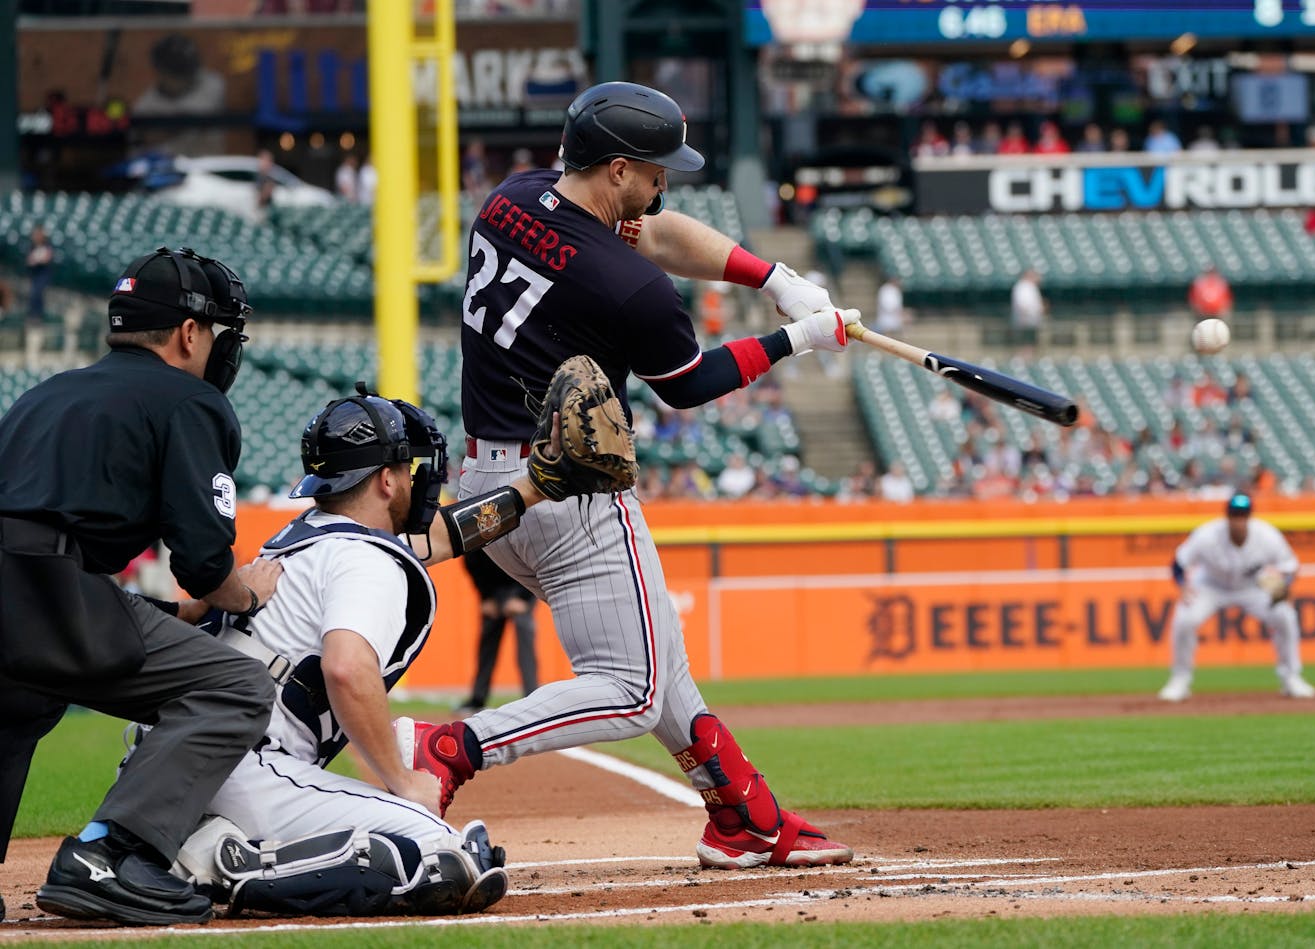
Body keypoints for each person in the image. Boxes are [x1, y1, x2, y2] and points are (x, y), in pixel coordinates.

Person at [400, 80, 857, 871]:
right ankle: (454, 745)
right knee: (634, 684)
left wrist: (772, 277)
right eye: (651, 171)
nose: (662, 184)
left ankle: (743, 811)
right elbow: (687, 383)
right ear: (616, 169)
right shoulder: (629, 285)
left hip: (488, 483)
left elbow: (659, 233)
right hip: (569, 490)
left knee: (658, 653)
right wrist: (799, 339)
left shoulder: (515, 197)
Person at [146, 389, 548, 918]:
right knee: (447, 853)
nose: (416, 478)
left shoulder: (304, 536)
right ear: (386, 479)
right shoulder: (366, 556)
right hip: (244, 765)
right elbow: (346, 667)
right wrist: (403, 782)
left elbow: (447, 536)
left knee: (440, 850)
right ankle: (230, 860)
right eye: (407, 466)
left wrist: (537, 488)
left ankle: (203, 840)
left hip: (175, 761)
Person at [0, 246, 283, 926]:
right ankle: (108, 852)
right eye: (216, 331)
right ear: (190, 333)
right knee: (237, 686)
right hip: (46, 593)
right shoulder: (189, 399)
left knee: (19, 700)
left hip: (36, 595)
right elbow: (206, 566)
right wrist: (246, 592)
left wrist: (167, 611)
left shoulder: (45, 392)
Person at [1158, 493, 1315, 702]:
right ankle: (1180, 679)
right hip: (1210, 584)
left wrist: (1284, 589)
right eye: (1234, 515)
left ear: (1249, 517)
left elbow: (1290, 566)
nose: (1238, 520)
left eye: (1243, 515)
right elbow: (1179, 562)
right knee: (1185, 619)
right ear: (1227, 516)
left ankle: (1292, 678)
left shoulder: (1266, 535)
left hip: (1255, 583)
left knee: (1285, 615)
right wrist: (1183, 586)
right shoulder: (1207, 535)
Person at [457, 548, 539, 714]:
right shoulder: (483, 531)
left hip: (522, 588)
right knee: (487, 643)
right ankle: (477, 698)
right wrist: (486, 597)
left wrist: (523, 598)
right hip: (493, 591)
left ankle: (532, 697)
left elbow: (535, 562)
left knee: (525, 640)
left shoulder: (522, 528)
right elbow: (471, 562)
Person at [24, 225, 54, 325]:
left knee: (38, 293)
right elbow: (29, 260)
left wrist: (38, 260)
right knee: (33, 294)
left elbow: (47, 258)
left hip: (43, 273)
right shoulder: (32, 246)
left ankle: (38, 316)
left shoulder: (47, 245)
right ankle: (32, 315)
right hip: (35, 273)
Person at [1010, 267, 1046, 347]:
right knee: (1025, 345)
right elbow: (1022, 306)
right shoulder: (1022, 286)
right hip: (1025, 322)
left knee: (1031, 345)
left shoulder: (1031, 287)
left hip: (1032, 322)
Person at [255, 149, 279, 219]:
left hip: (266, 210)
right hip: (260, 210)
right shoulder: (259, 176)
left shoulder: (270, 177)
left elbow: (265, 196)